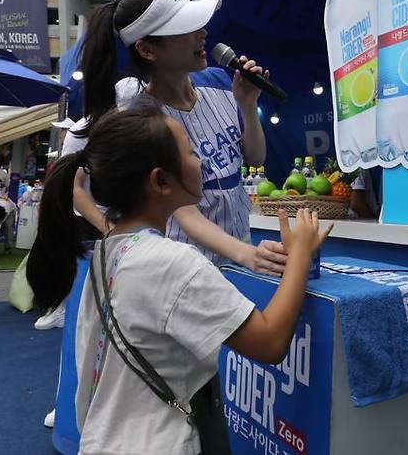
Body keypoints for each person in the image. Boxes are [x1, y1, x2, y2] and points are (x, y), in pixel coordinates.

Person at [27, 106, 331, 454]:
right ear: (160, 181)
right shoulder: (171, 263)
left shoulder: (107, 251)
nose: (200, 161)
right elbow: (270, 341)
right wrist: (301, 256)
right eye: (189, 151)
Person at [77, 0, 287, 273]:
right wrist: (246, 254)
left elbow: (254, 158)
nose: (202, 33)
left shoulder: (220, 81)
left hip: (238, 253)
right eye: (185, 28)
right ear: (147, 50)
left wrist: (248, 105)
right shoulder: (140, 117)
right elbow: (182, 211)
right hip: (184, 267)